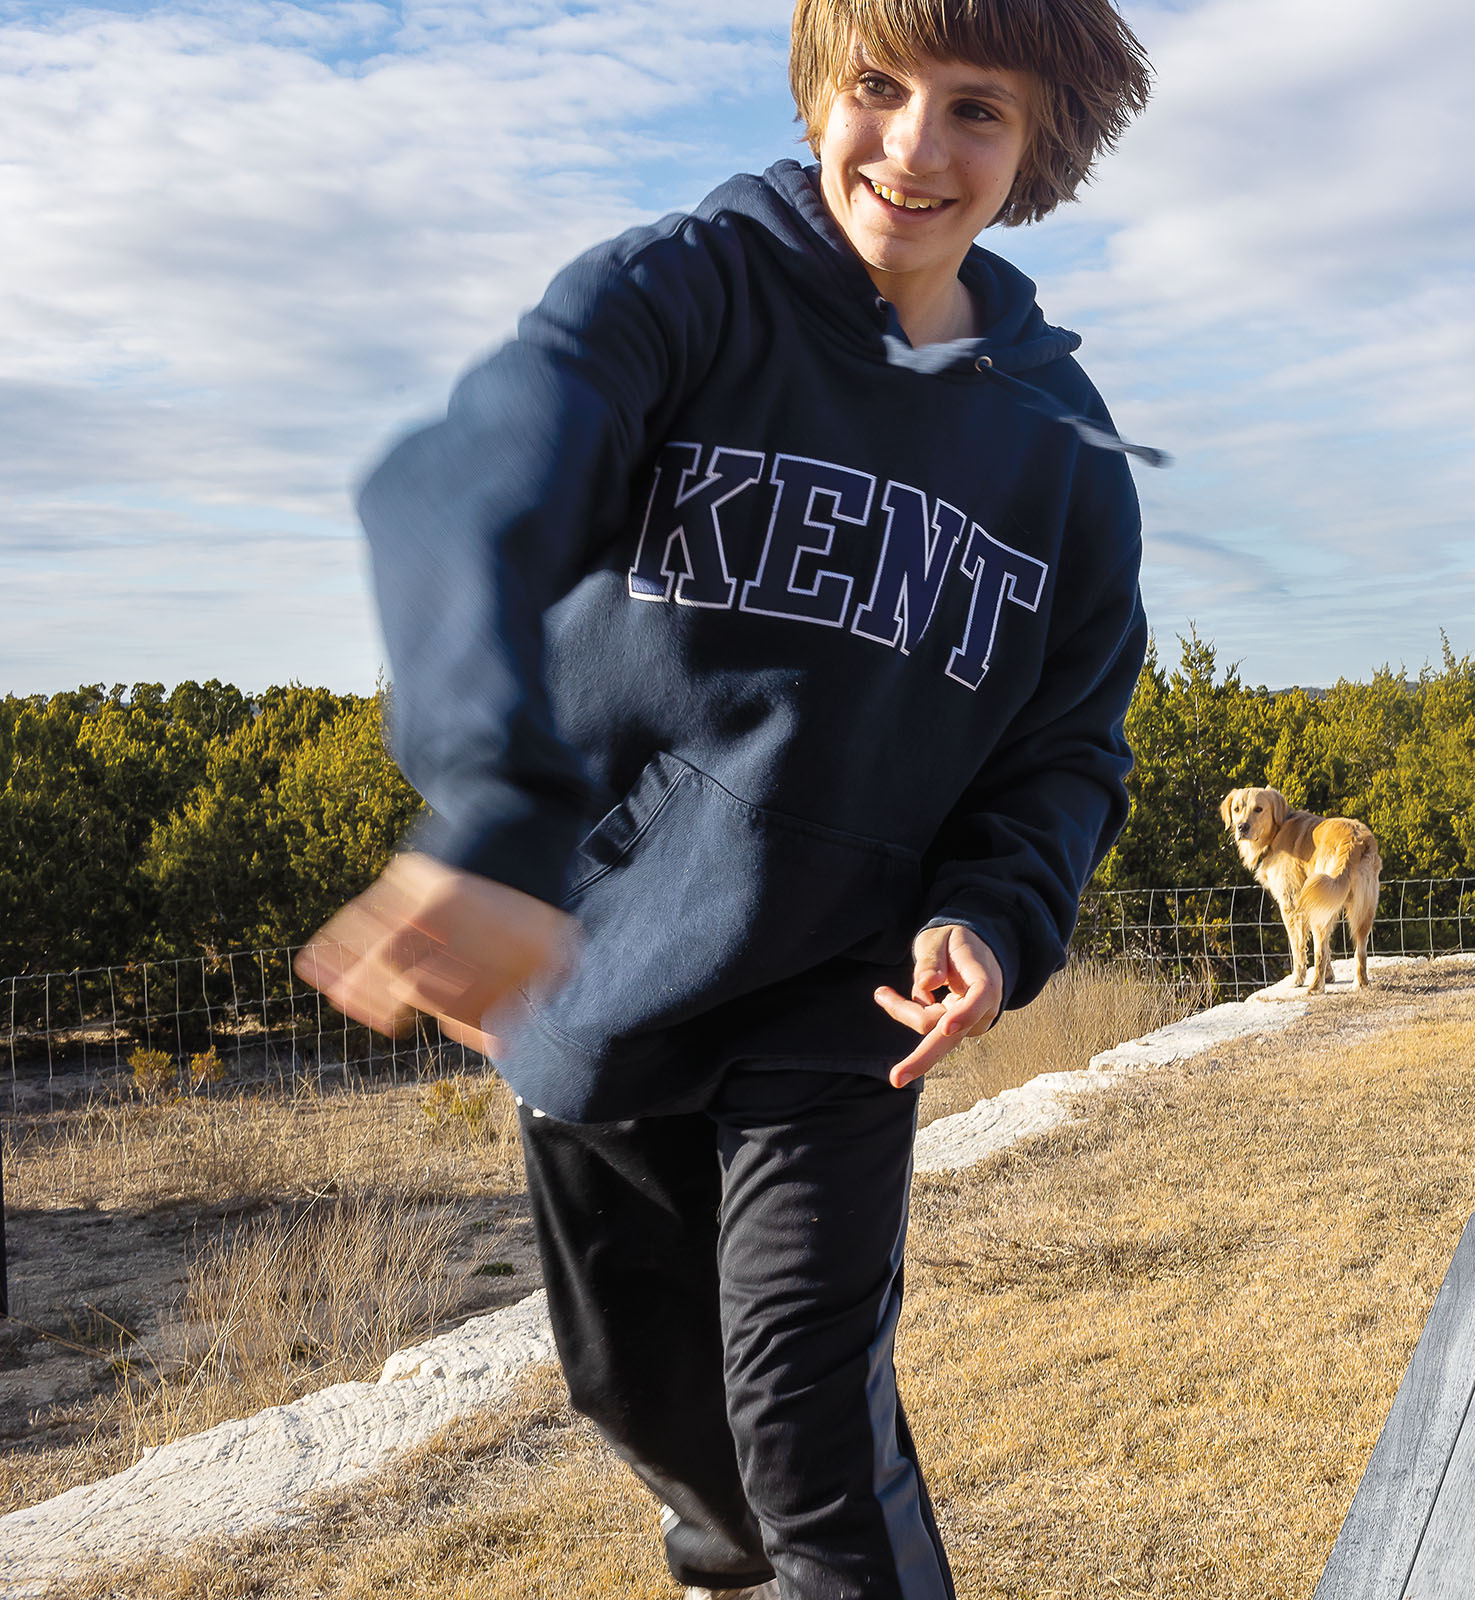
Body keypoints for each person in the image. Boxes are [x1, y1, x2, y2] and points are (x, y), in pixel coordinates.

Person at [296, 3, 1156, 1595]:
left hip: (850, 989)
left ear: (1041, 147)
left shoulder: (1061, 455)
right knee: (651, 1400)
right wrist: (494, 822)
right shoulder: (678, 296)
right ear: (821, 89)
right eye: (880, 90)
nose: (913, 148)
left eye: (976, 110)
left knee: (810, 1437)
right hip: (595, 966)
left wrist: (993, 908)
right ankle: (732, 1552)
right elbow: (471, 489)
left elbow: (1066, 744)